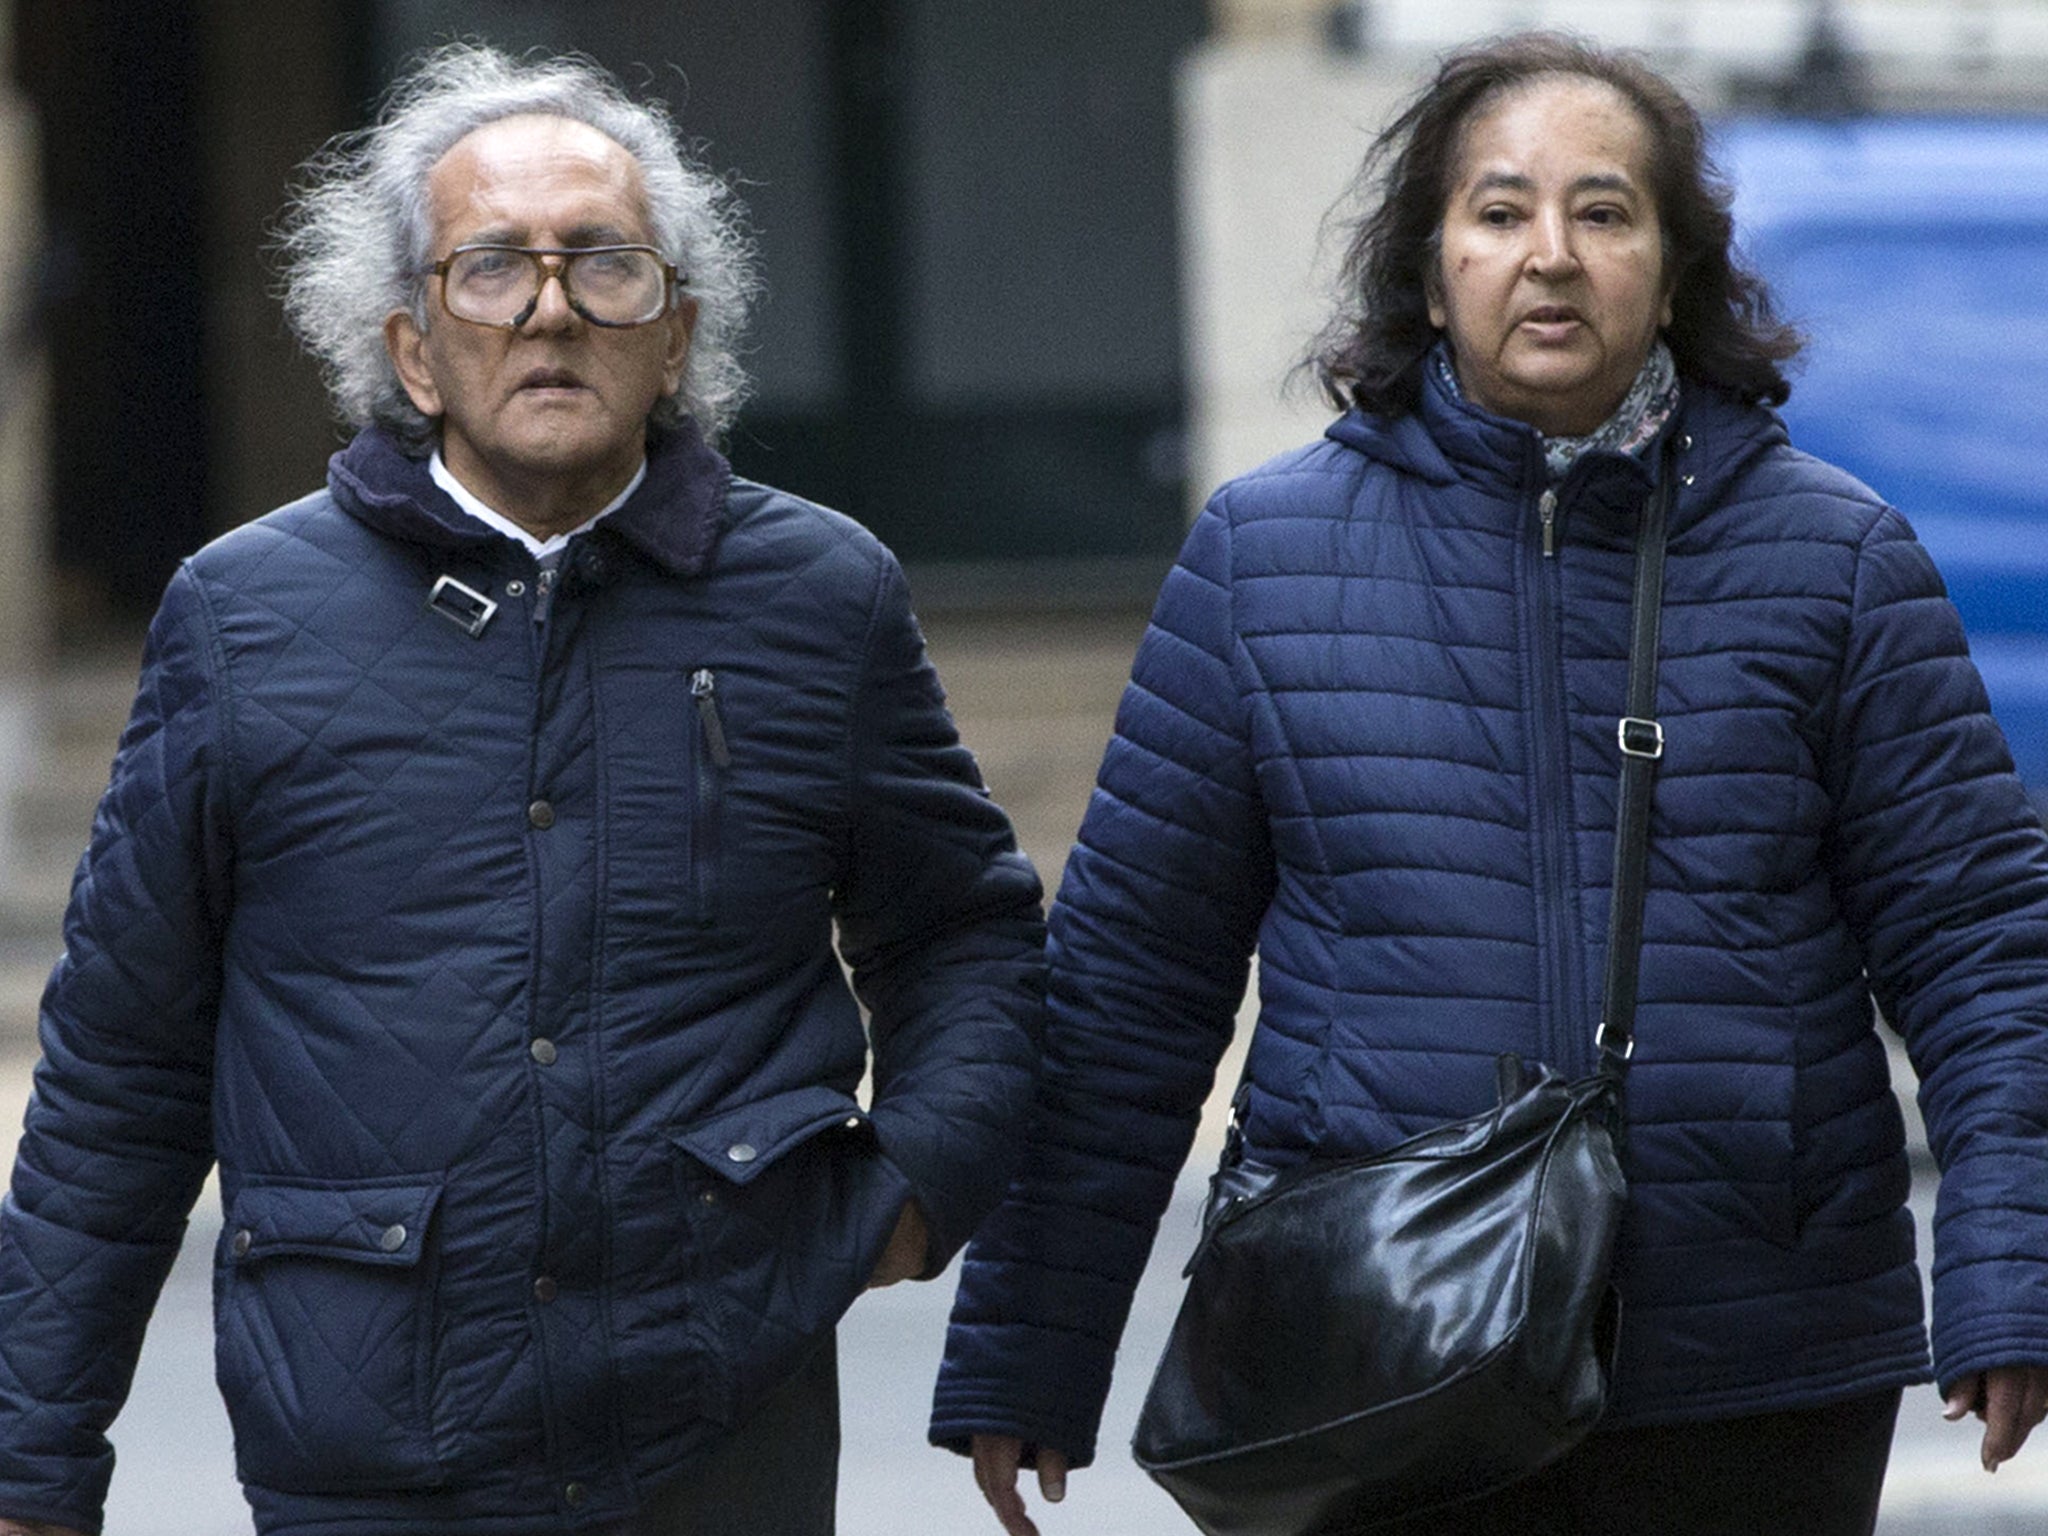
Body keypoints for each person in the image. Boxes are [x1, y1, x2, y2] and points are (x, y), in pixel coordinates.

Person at [932, 31, 2048, 1536]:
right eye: (1502, 211)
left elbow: (1983, 954)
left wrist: (2011, 1279)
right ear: (1430, 256)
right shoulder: (1264, 557)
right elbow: (1129, 991)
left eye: (1604, 213)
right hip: (1374, 1346)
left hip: (1756, 1360)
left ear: (1677, 264)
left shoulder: (1836, 559)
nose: (1552, 257)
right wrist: (1029, 1346)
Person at [0, 42, 1045, 1536]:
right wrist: (31, 1457)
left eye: (604, 265)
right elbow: (119, 1065)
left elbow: (967, 935)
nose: (550, 309)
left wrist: (918, 1182)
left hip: (716, 1420)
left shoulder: (819, 596)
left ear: (677, 331)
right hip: (365, 1429)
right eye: (490, 268)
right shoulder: (242, 617)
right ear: (413, 345)